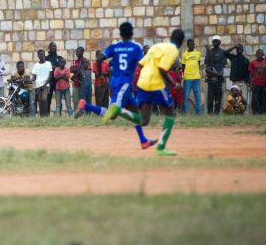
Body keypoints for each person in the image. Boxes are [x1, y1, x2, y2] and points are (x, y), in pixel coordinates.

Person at [77, 22, 155, 150]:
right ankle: (86, 105)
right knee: (113, 114)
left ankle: (143, 140)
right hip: (123, 85)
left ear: (120, 33)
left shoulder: (115, 46)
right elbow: (143, 64)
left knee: (137, 115)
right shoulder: (136, 47)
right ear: (131, 33)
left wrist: (101, 75)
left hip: (116, 83)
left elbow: (99, 59)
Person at [110, 29, 185, 156]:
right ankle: (161, 148)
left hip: (142, 82)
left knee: (144, 120)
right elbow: (162, 69)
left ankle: (119, 111)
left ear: (171, 37)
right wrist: (175, 84)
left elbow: (140, 64)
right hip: (156, 83)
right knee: (171, 113)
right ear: (181, 41)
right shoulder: (173, 50)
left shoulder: (157, 46)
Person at [204, 35, 227, 115]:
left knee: (218, 100)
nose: (215, 42)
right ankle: (210, 115)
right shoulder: (210, 52)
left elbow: (224, 65)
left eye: (216, 41)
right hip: (211, 81)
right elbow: (206, 64)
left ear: (219, 42)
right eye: (213, 41)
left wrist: (219, 74)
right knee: (210, 100)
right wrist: (217, 74)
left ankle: (216, 115)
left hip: (219, 82)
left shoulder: (222, 52)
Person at [181, 38, 202, 115]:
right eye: (189, 44)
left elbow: (198, 64)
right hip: (187, 79)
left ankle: (199, 115)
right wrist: (185, 76)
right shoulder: (184, 54)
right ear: (187, 45)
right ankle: (185, 115)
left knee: (198, 99)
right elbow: (183, 67)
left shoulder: (198, 53)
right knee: (185, 98)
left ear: (194, 45)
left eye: (192, 44)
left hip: (196, 79)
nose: (191, 45)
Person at [225, 44, 250, 108]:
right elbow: (225, 53)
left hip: (243, 82)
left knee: (243, 97)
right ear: (236, 50)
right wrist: (234, 46)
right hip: (235, 82)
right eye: (237, 49)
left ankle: (245, 113)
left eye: (240, 49)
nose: (239, 50)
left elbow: (248, 72)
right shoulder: (233, 57)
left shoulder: (246, 60)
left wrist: (247, 82)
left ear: (242, 50)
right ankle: (235, 112)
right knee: (234, 98)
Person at [31, 49, 53, 117]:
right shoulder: (36, 65)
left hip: (45, 85)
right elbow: (34, 77)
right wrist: (29, 80)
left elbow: (50, 76)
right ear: (38, 56)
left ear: (44, 55)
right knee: (39, 100)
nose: (41, 55)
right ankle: (41, 116)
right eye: (39, 54)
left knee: (44, 99)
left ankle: (46, 115)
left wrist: (44, 84)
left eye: (42, 54)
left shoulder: (48, 63)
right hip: (37, 85)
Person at [249, 49, 266, 114]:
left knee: (262, 99)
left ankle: (261, 112)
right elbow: (250, 74)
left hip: (263, 84)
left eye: (260, 54)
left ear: (263, 55)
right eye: (258, 54)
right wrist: (251, 84)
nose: (259, 55)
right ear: (256, 55)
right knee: (255, 99)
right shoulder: (252, 63)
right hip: (255, 84)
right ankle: (254, 112)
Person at [70, 46, 88, 113]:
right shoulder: (74, 61)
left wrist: (77, 69)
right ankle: (76, 115)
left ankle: (83, 116)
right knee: (75, 101)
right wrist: (80, 68)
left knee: (83, 101)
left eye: (79, 51)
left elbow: (86, 70)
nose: (77, 52)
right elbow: (71, 69)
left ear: (82, 52)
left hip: (83, 85)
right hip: (75, 84)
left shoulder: (86, 60)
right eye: (76, 51)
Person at [45, 42, 61, 115]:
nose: (53, 48)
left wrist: (54, 67)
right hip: (49, 81)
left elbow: (61, 67)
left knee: (58, 99)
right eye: (52, 46)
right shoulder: (46, 58)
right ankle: (47, 113)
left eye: (54, 46)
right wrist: (54, 67)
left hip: (58, 81)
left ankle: (58, 114)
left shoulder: (59, 58)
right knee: (48, 98)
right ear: (49, 48)